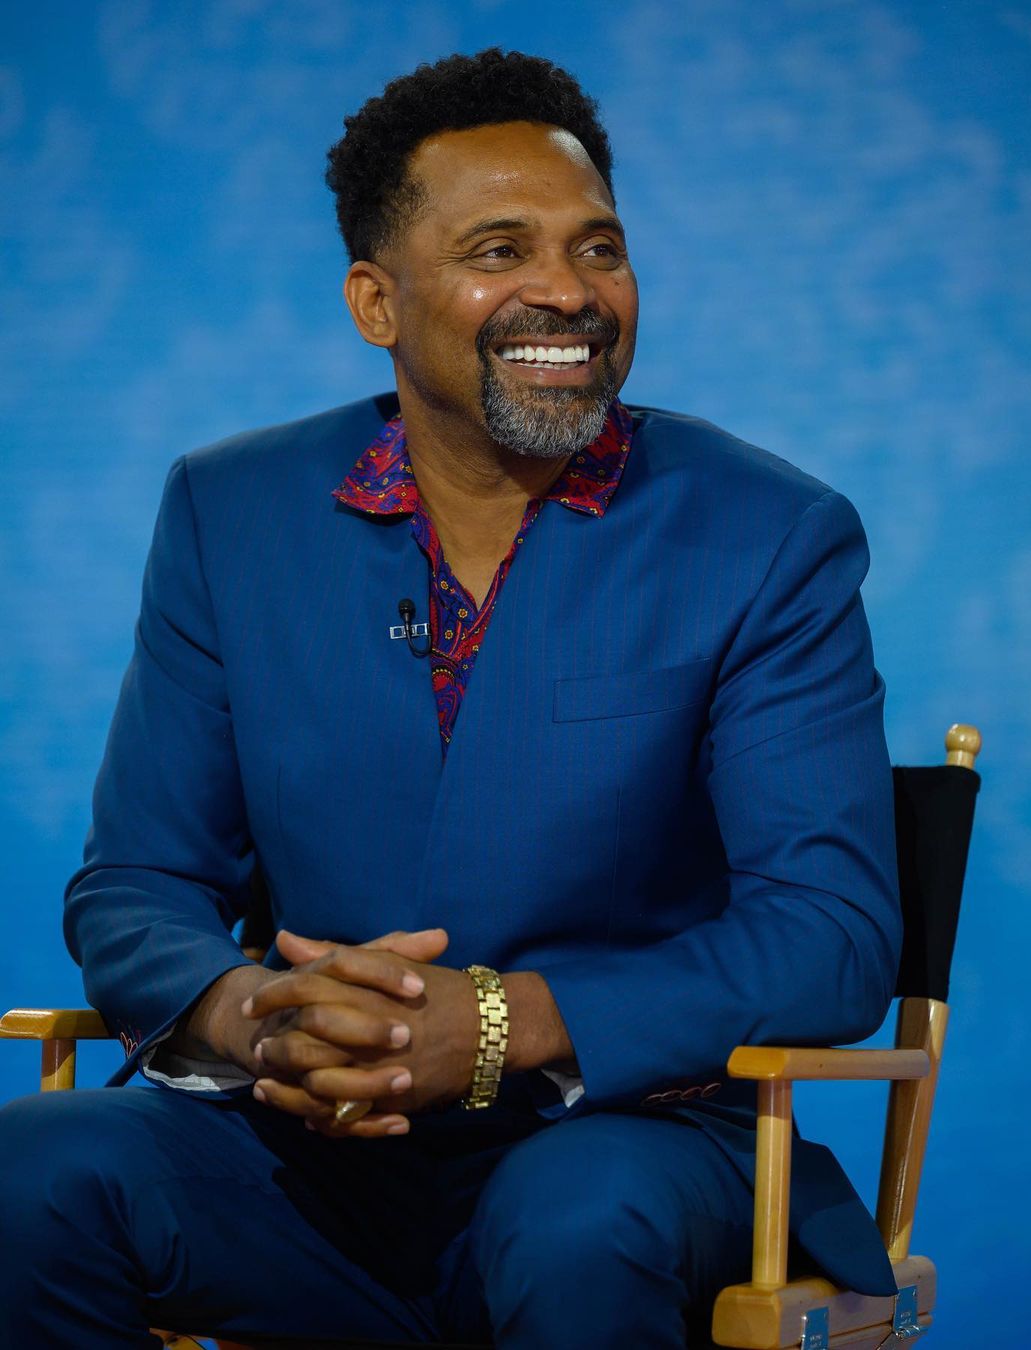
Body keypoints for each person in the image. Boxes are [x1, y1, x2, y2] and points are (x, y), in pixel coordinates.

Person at [0, 48, 902, 1349]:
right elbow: (137, 883)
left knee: (573, 1220)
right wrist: (258, 1019)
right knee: (35, 1172)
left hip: (626, 1139)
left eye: (599, 249)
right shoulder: (229, 513)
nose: (567, 291)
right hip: (306, 1149)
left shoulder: (766, 533)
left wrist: (497, 1026)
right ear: (378, 300)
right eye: (500, 250)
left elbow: (830, 935)